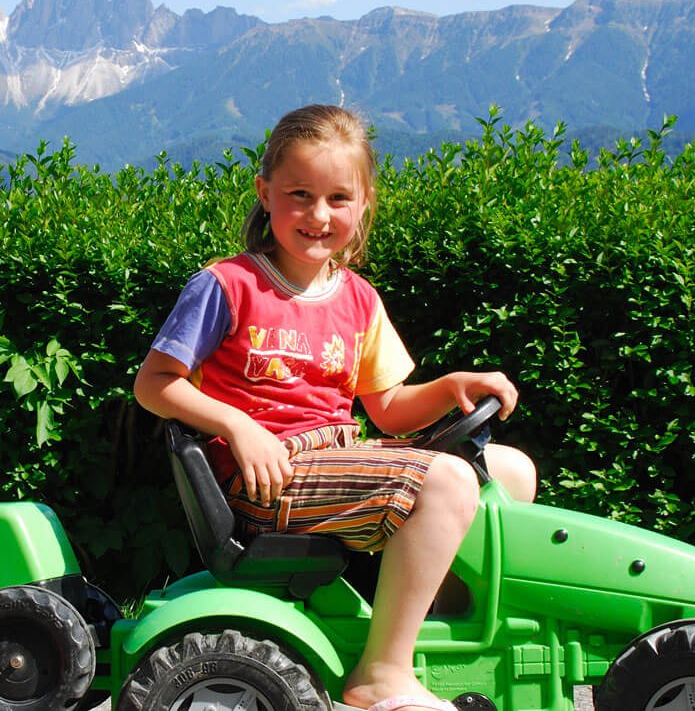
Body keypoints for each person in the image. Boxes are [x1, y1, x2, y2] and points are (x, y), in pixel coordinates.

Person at [133, 105, 537, 711]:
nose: (319, 215)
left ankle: (435, 628)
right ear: (265, 193)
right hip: (267, 479)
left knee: (510, 471)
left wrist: (450, 384)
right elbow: (155, 383)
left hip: (340, 461)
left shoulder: (358, 299)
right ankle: (382, 676)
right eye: (300, 195)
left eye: (338, 199)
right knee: (447, 480)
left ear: (364, 201)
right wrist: (238, 426)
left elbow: (391, 409)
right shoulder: (229, 286)